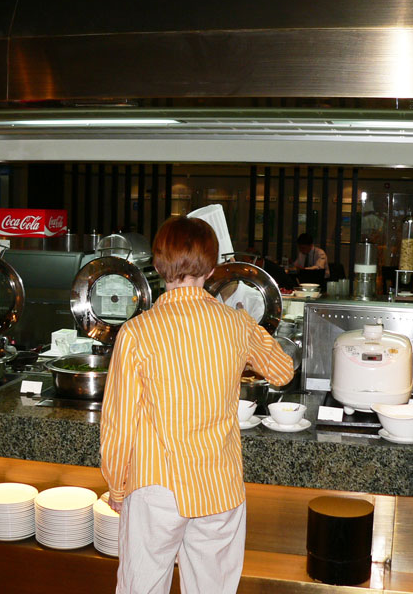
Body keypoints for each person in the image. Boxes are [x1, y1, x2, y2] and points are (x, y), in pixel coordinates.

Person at [100, 216, 294, 594]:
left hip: (156, 485)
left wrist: (117, 487)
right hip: (220, 485)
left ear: (158, 265)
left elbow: (119, 423)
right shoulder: (236, 323)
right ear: (211, 267)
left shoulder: (137, 332)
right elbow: (282, 370)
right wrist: (242, 341)